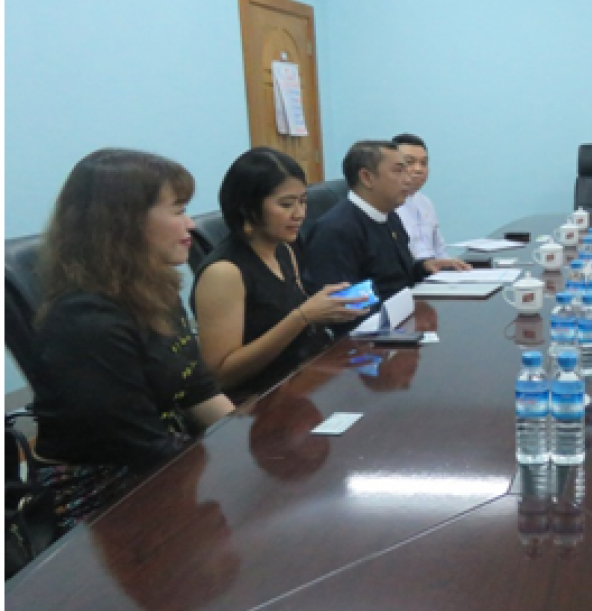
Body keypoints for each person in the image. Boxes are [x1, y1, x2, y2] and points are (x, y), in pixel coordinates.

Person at [32, 149, 235, 535]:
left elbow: (198, 389)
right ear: (125, 222)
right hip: (98, 497)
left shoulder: (155, 288)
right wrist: (232, 468)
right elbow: (141, 447)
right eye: (178, 210)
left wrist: (248, 441)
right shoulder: (86, 322)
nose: (191, 224)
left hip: (162, 460)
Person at [192, 148, 366, 398]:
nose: (300, 214)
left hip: (305, 379)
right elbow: (221, 375)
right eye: (286, 204)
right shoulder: (224, 272)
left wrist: (328, 310)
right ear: (247, 208)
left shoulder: (284, 248)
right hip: (261, 399)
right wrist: (303, 317)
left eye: (303, 201)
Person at [304, 141, 463, 302]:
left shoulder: (390, 216)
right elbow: (344, 304)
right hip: (376, 317)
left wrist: (424, 267)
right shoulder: (336, 230)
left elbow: (395, 278)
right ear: (367, 177)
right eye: (398, 171)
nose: (408, 180)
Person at [393, 133, 470, 270]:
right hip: (412, 276)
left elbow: (440, 251)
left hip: (435, 275)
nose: (419, 169)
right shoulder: (387, 206)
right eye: (409, 162)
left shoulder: (425, 202)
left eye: (424, 163)